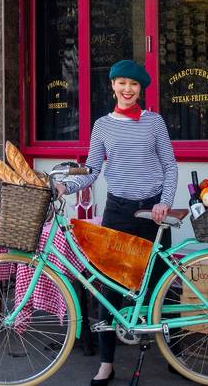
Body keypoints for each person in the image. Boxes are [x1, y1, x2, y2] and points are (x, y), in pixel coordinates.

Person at [55, 60, 178, 386]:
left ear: (141, 89)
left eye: (133, 85)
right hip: (119, 212)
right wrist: (63, 187)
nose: (127, 89)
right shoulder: (102, 126)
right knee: (110, 286)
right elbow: (93, 171)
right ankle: (106, 364)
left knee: (162, 284)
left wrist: (164, 202)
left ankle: (175, 357)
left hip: (153, 212)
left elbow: (170, 166)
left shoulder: (155, 122)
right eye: (122, 83)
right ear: (112, 85)